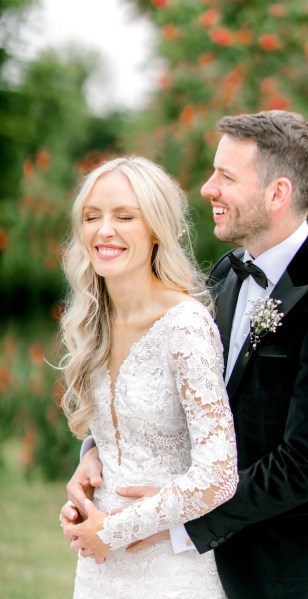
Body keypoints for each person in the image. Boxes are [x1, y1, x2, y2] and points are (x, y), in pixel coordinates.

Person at [61, 111, 308, 599]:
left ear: (277, 193)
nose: (207, 188)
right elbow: (176, 400)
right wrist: (98, 451)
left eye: (226, 177)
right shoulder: (228, 274)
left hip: (286, 568)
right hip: (197, 561)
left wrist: (174, 526)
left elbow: (305, 465)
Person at [57, 155, 238, 599]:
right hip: (98, 570)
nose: (104, 231)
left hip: (171, 572)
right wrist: (86, 492)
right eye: (92, 216)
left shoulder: (185, 326)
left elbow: (219, 474)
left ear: (156, 228)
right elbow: (122, 437)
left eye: (124, 216)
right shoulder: (95, 319)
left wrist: (116, 528)